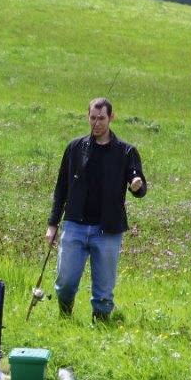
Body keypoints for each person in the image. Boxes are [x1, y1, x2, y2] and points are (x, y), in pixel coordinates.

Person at [46, 97, 147, 322]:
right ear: (87, 117)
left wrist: (136, 185)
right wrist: (52, 224)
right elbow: (61, 188)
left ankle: (101, 324)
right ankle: (65, 315)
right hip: (74, 225)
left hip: (108, 229)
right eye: (93, 118)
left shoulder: (126, 151)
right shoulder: (75, 148)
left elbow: (139, 186)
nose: (96, 123)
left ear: (111, 118)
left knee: (103, 290)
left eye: (101, 118)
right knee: (65, 282)